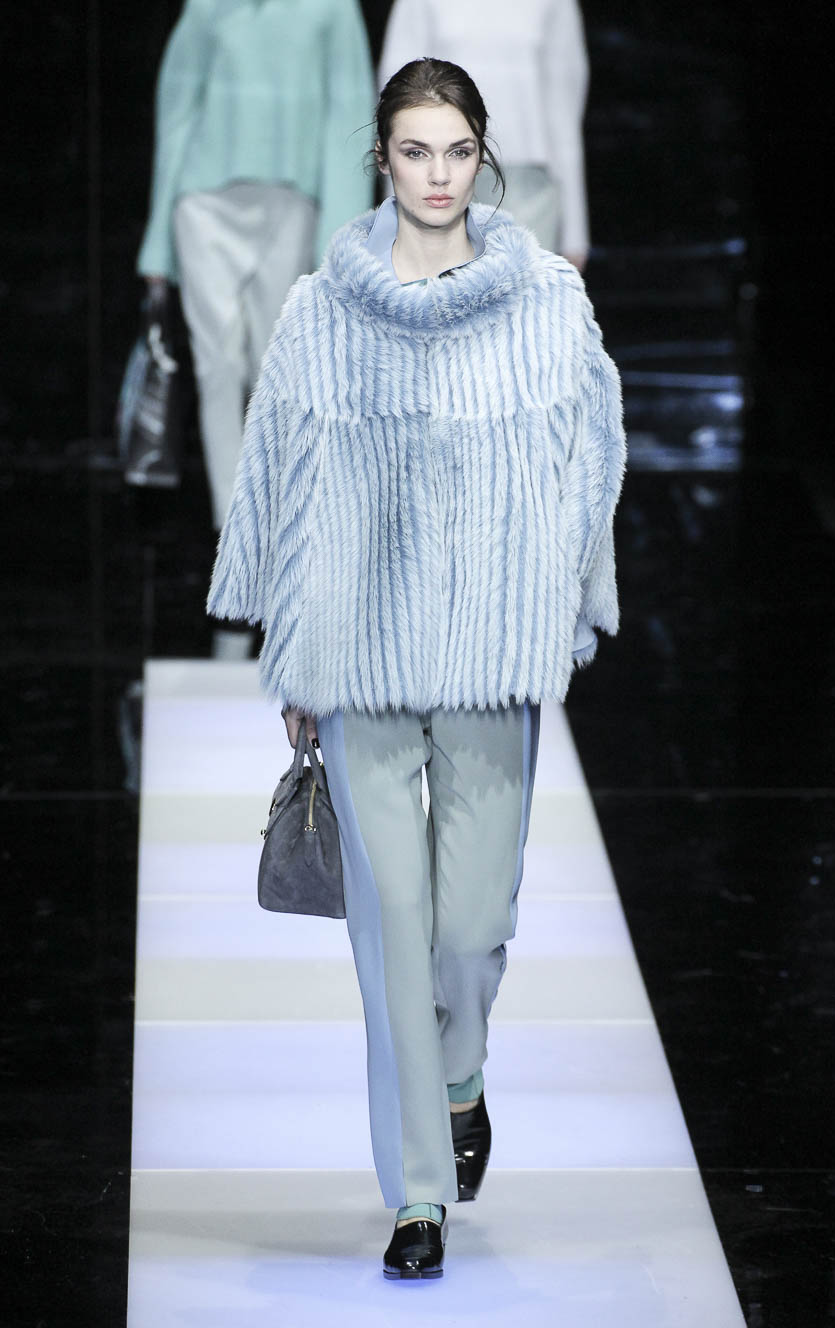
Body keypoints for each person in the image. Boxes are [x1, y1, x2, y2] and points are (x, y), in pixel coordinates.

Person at [207, 58, 625, 1280]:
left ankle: (461, 1076)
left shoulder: (545, 300)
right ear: (382, 158)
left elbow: (593, 459)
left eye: (456, 151)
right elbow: (278, 476)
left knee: (472, 928)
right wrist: (291, 647)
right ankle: (418, 1195)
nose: (437, 175)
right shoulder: (319, 311)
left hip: (491, 647)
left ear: (482, 156)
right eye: (413, 151)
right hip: (357, 652)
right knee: (390, 931)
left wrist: (570, 600)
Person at [137, 0, 374, 658]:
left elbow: (350, 115)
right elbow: (177, 108)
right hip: (202, 202)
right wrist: (157, 242)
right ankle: (236, 543)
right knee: (217, 370)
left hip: (291, 202)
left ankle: (274, 540)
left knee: (277, 381)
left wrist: (341, 243)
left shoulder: (333, 8)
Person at [379, 0, 591, 270]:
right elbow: (397, 104)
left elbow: (564, 109)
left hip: (529, 185)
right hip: (438, 175)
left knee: (523, 293)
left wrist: (574, 233)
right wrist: (394, 215)